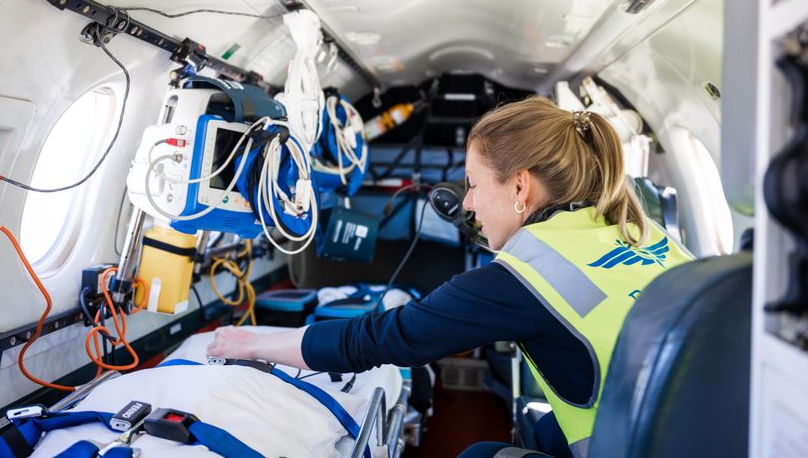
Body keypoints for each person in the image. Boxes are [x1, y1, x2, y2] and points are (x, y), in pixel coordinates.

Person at [206, 96, 694, 458]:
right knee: (544, 433)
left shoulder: (523, 278)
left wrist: (250, 343)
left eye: (474, 185)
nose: (466, 204)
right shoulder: (641, 230)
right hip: (699, 430)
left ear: (520, 186)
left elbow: (383, 338)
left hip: (637, 444)